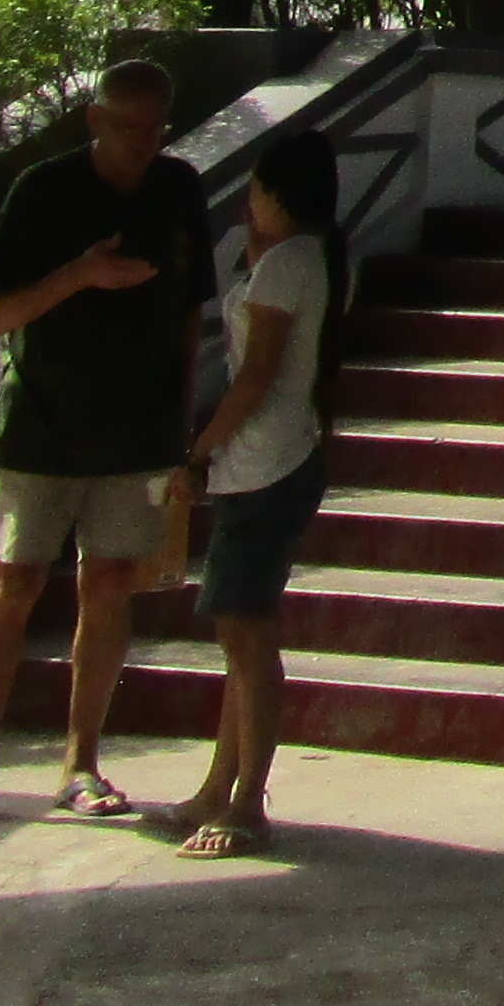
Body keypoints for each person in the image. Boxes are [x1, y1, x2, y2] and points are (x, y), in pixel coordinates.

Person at [0, 53, 213, 827]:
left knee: (109, 585)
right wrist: (81, 275)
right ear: (95, 120)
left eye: (153, 128)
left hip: (138, 426)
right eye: (126, 126)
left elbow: (195, 307)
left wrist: (182, 420)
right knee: (13, 583)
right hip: (42, 421)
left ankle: (82, 759)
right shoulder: (45, 190)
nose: (141, 141)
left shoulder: (178, 188)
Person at [162, 124, 346, 858]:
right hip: (269, 457)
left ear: (274, 193)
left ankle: (245, 800)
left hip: (263, 457)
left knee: (247, 630)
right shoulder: (302, 258)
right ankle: (220, 784)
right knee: (239, 631)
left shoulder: (290, 264)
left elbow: (256, 374)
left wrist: (200, 447)